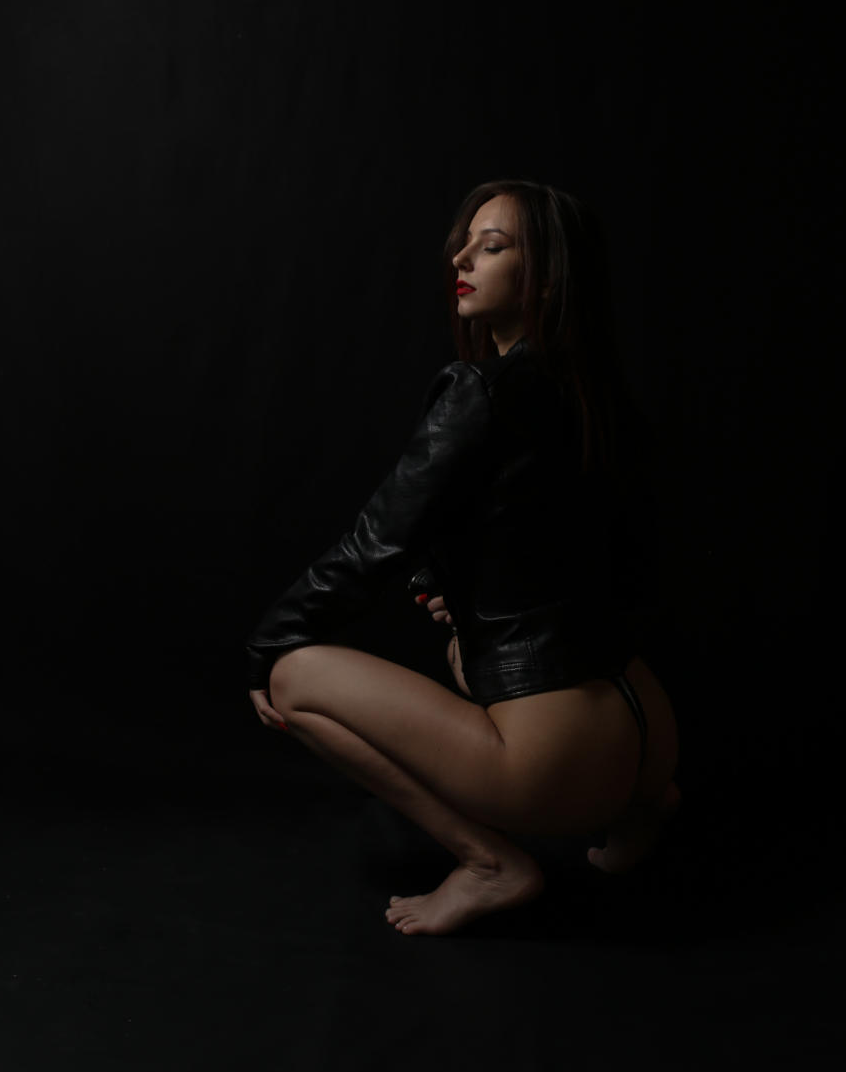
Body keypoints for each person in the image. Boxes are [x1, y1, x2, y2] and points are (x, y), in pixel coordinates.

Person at [247, 179, 680, 936]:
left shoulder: (481, 390)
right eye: (465, 243)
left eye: (493, 246)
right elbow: (596, 557)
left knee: (294, 678)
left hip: (556, 764)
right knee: (461, 647)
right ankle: (643, 811)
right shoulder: (602, 397)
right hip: (650, 736)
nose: (462, 259)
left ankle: (488, 863)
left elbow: (374, 544)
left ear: (548, 278)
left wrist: (265, 644)